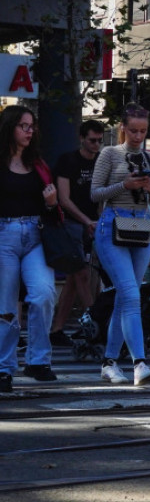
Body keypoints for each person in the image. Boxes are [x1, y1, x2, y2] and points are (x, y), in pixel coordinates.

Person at [90, 104, 150, 386]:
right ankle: (139, 363)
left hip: (141, 228)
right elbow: (95, 194)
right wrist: (124, 186)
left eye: (143, 131)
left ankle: (109, 363)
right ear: (122, 128)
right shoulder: (109, 154)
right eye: (133, 130)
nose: (138, 136)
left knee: (125, 297)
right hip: (112, 226)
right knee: (131, 294)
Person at [0, 106, 58, 393]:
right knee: (6, 307)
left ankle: (38, 361)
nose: (29, 130)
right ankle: (3, 367)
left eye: (31, 126)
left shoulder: (37, 163)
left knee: (44, 293)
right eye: (23, 125)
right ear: (10, 128)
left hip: (36, 234)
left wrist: (51, 203)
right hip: (4, 235)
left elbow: (53, 210)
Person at [49, 119, 104, 345]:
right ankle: (94, 323)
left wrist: (97, 221)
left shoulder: (101, 161)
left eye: (100, 141)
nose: (96, 145)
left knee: (74, 279)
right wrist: (86, 221)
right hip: (71, 223)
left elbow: (103, 193)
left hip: (93, 223)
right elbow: (63, 198)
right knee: (80, 274)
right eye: (92, 140)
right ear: (82, 138)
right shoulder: (68, 160)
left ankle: (57, 329)